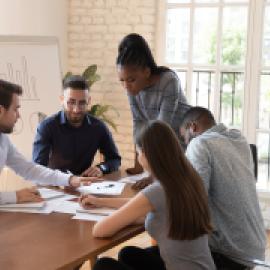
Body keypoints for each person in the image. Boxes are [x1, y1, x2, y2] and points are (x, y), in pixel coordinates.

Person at [80, 120, 215, 270]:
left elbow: (100, 231)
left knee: (103, 266)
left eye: (138, 153)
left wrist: (120, 219)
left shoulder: (158, 190)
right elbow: (139, 204)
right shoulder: (188, 178)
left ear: (145, 153)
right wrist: (99, 201)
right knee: (128, 254)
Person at [179, 106, 266, 269]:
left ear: (193, 127)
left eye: (184, 138)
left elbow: (195, 200)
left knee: (171, 249)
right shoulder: (238, 139)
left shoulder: (199, 144)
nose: (185, 144)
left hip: (230, 252)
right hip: (256, 247)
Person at [0, 79, 95, 204]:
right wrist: (15, 196)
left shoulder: (3, 139)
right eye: (15, 109)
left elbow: (28, 169)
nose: (18, 115)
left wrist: (70, 179)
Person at [116, 33, 190, 177]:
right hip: (162, 147)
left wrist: (152, 175)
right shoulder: (131, 88)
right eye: (122, 80)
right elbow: (139, 123)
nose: (126, 86)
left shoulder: (168, 81)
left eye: (131, 80)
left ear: (147, 71)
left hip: (183, 145)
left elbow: (161, 128)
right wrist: (140, 163)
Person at [32, 75, 121, 177]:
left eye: (82, 103)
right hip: (56, 185)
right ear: (62, 100)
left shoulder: (98, 127)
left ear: (89, 101)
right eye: (71, 102)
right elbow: (38, 168)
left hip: (85, 184)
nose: (76, 109)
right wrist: (62, 180)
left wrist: (101, 168)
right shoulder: (47, 127)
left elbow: (115, 159)